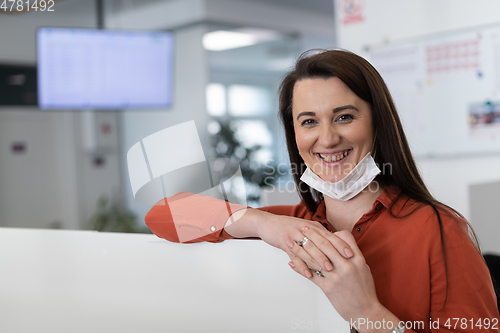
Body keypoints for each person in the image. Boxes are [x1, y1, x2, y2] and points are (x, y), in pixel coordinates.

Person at [145, 49, 499, 332]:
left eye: (345, 116)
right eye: (309, 121)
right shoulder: (292, 227)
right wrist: (261, 224)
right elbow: (162, 214)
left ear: (378, 124)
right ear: (294, 135)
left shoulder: (439, 230)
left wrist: (367, 313)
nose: (327, 139)